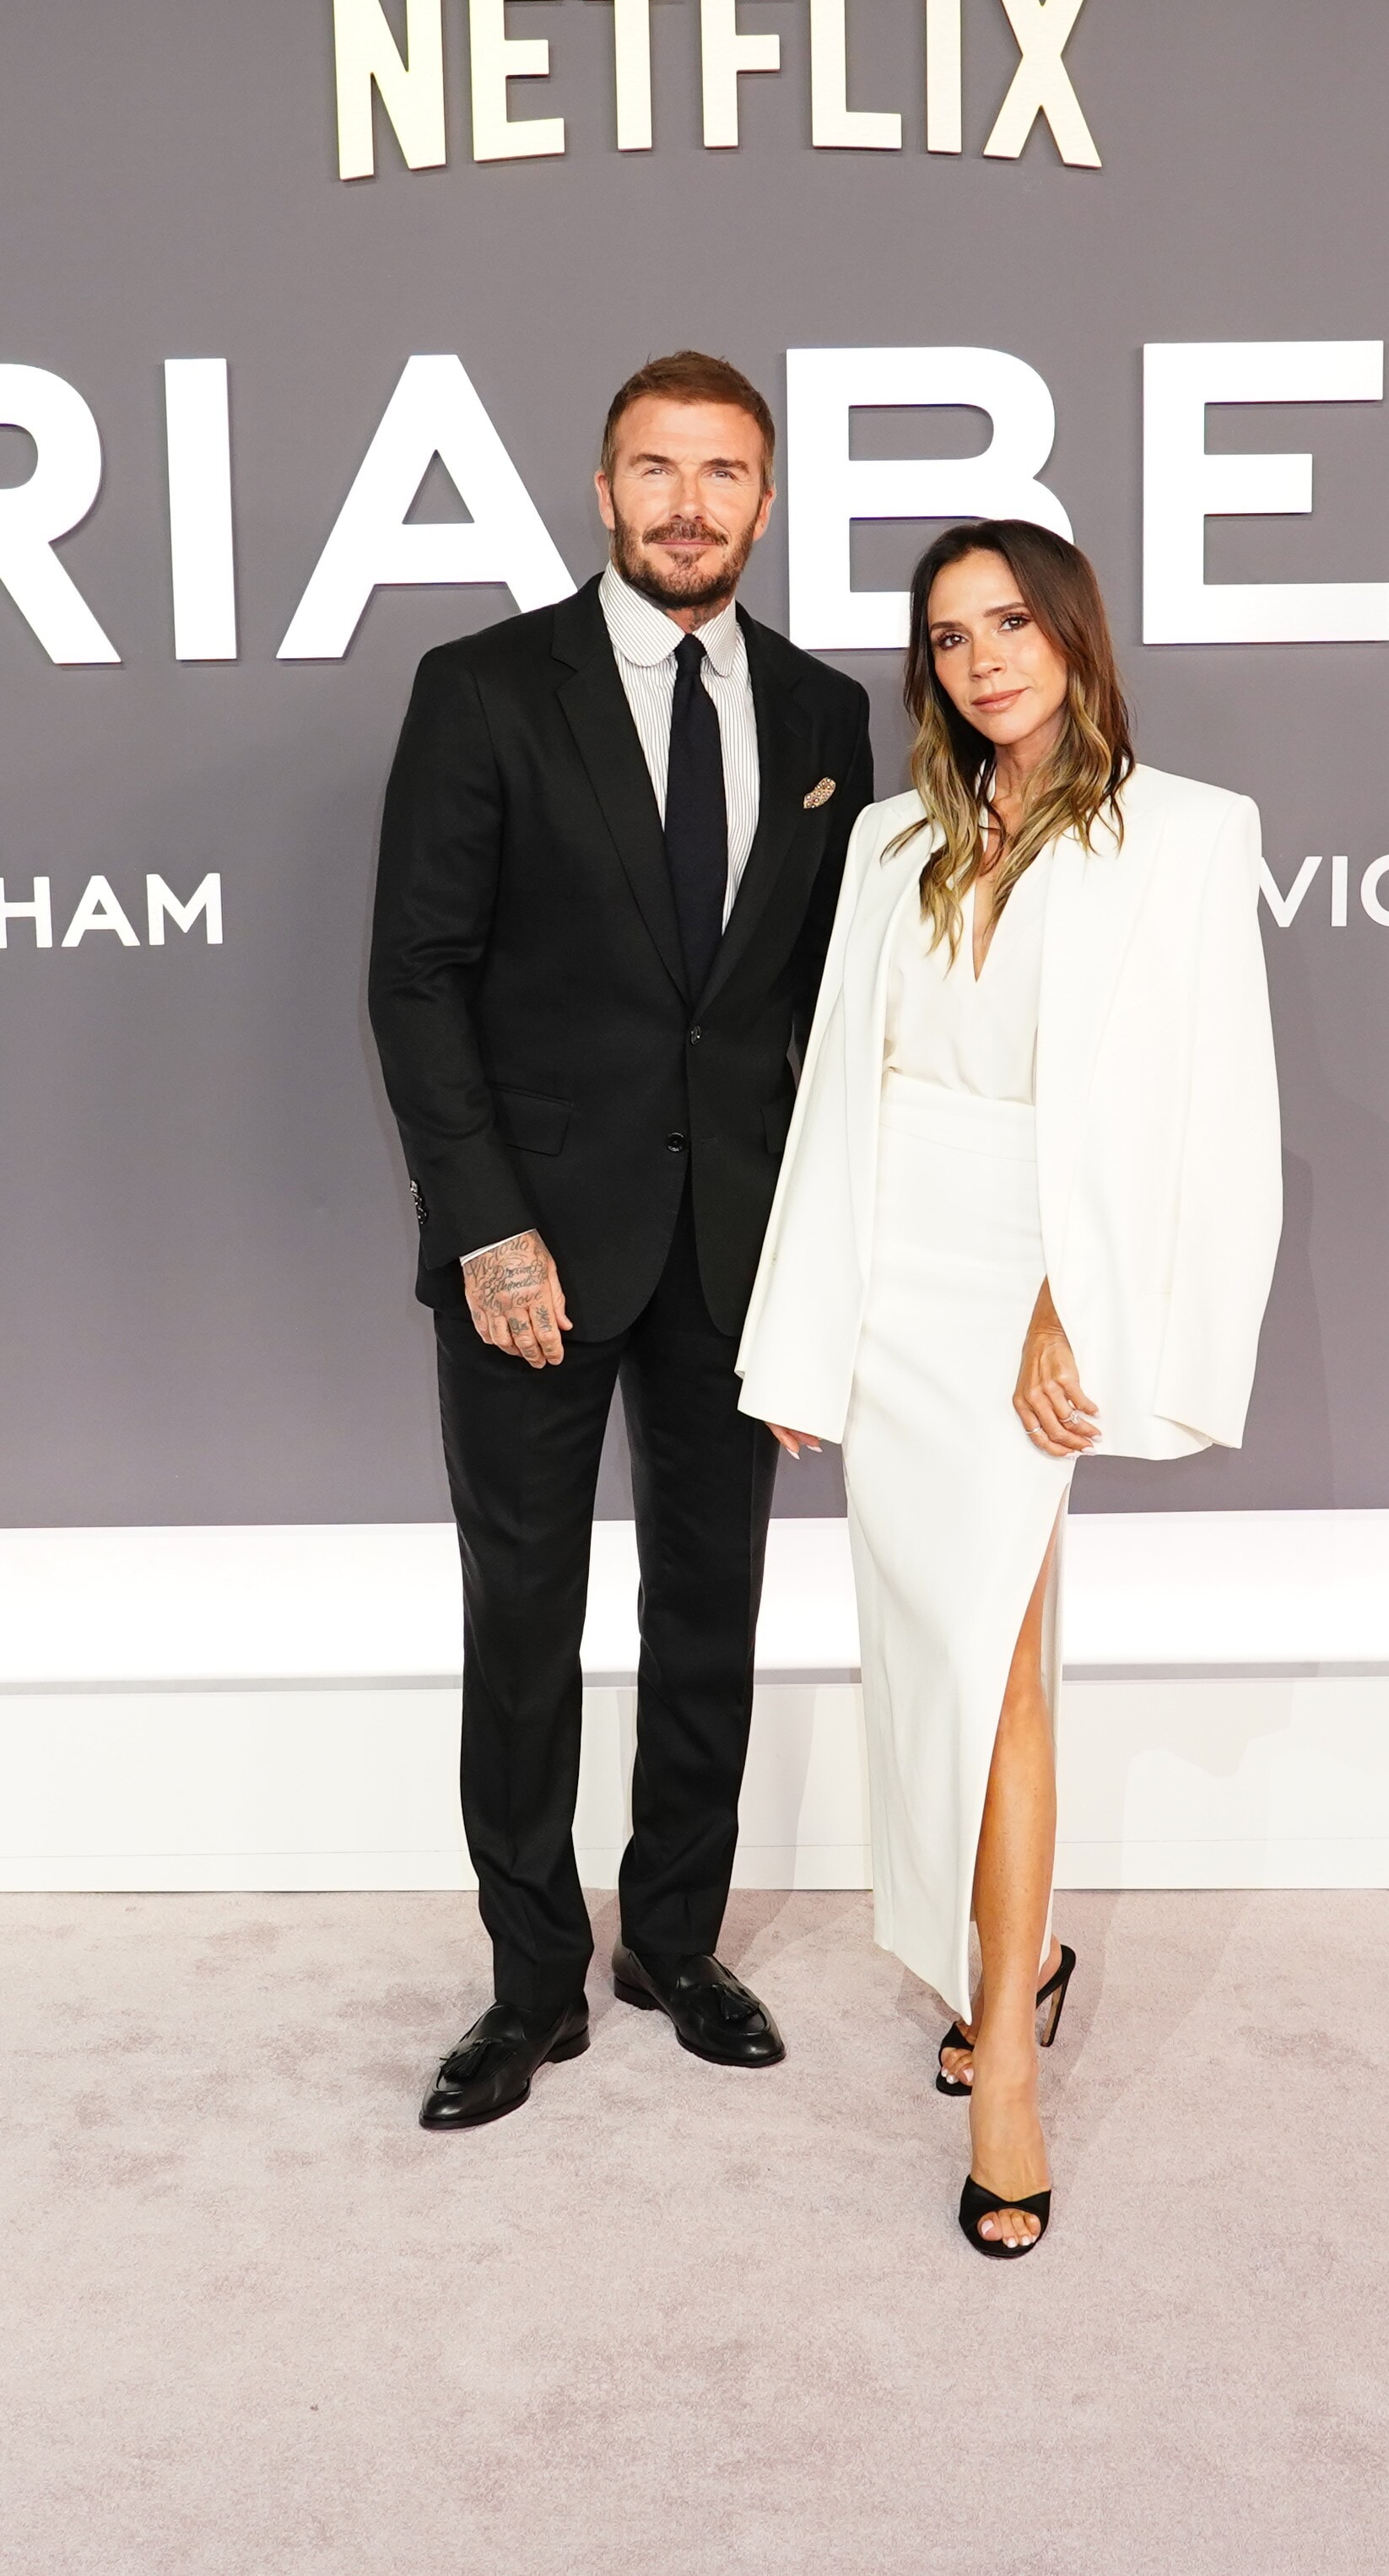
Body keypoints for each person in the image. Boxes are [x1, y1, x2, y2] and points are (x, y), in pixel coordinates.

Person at [737, 519, 1281, 2255]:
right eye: (950, 635)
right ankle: (1014, 1957)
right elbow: (844, 1088)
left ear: (1072, 634)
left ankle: (1009, 2080)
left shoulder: (1184, 833)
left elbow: (1196, 1107)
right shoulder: (889, 837)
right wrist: (807, 1327)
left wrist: (1075, 1301)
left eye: (1010, 624)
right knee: (933, 1659)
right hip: (898, 1271)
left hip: (1041, 1274)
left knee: (996, 1678)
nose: (981, 660)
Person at [369, 351, 873, 2129]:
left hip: (735, 1246)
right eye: (655, 468)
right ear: (602, 491)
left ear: (764, 501)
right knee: (523, 1613)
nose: (687, 503)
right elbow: (416, 977)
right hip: (532, 1251)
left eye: (722, 472)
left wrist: (826, 1263)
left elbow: (823, 1009)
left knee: (710, 1603)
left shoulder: (821, 715)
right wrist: (489, 1228)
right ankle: (530, 1981)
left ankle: (672, 1938)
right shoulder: (485, 687)